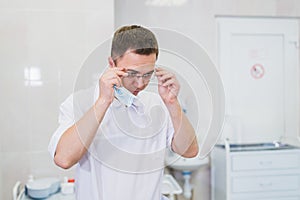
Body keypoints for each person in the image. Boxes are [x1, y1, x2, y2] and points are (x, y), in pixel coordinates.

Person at [48, 25, 198, 200]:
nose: (140, 83)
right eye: (132, 73)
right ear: (112, 64)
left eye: (147, 74)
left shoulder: (157, 104)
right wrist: (103, 102)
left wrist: (173, 103)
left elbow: (190, 151)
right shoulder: (79, 103)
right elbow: (64, 159)